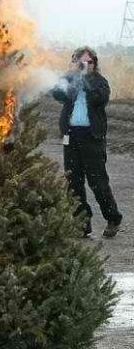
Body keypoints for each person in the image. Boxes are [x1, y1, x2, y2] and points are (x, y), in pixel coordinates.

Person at [51, 46, 122, 238]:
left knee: (98, 182)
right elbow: (57, 94)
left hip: (92, 138)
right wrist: (73, 76)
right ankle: (82, 224)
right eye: (81, 62)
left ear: (94, 63)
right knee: (73, 183)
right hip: (71, 137)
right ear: (74, 61)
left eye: (89, 62)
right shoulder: (68, 78)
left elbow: (100, 98)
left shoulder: (100, 82)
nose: (85, 65)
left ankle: (113, 218)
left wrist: (84, 81)